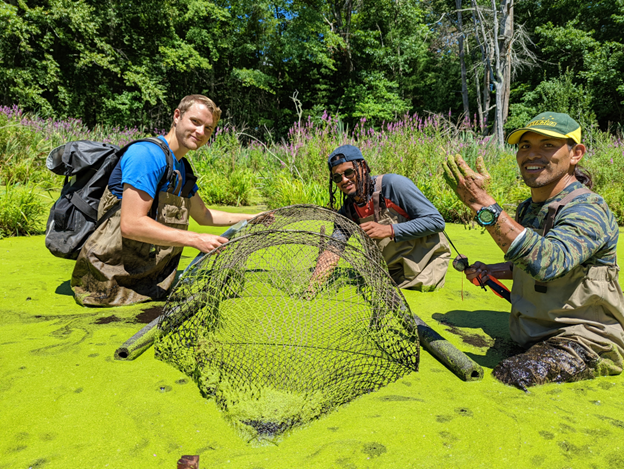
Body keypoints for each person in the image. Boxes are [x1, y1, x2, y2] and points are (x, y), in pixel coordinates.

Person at [443, 111, 624, 390]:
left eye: (548, 145)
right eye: (525, 146)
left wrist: (482, 204)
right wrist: (492, 271)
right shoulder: (529, 208)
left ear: (576, 154)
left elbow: (548, 263)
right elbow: (527, 266)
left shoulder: (588, 209)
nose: (532, 154)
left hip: (586, 341)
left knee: (513, 375)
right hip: (532, 336)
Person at [71, 95, 258, 307]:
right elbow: (131, 224)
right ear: (177, 116)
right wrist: (195, 239)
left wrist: (253, 218)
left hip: (151, 283)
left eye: (208, 128)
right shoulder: (146, 156)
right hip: (107, 285)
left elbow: (204, 215)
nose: (201, 132)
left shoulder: (181, 169)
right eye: (195, 122)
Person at [312, 144, 450, 292]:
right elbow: (334, 249)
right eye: (337, 177)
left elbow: (436, 221)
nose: (344, 180)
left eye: (349, 172)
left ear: (363, 168)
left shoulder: (394, 186)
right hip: (388, 277)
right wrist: (313, 286)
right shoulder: (347, 211)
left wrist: (389, 230)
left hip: (425, 269)